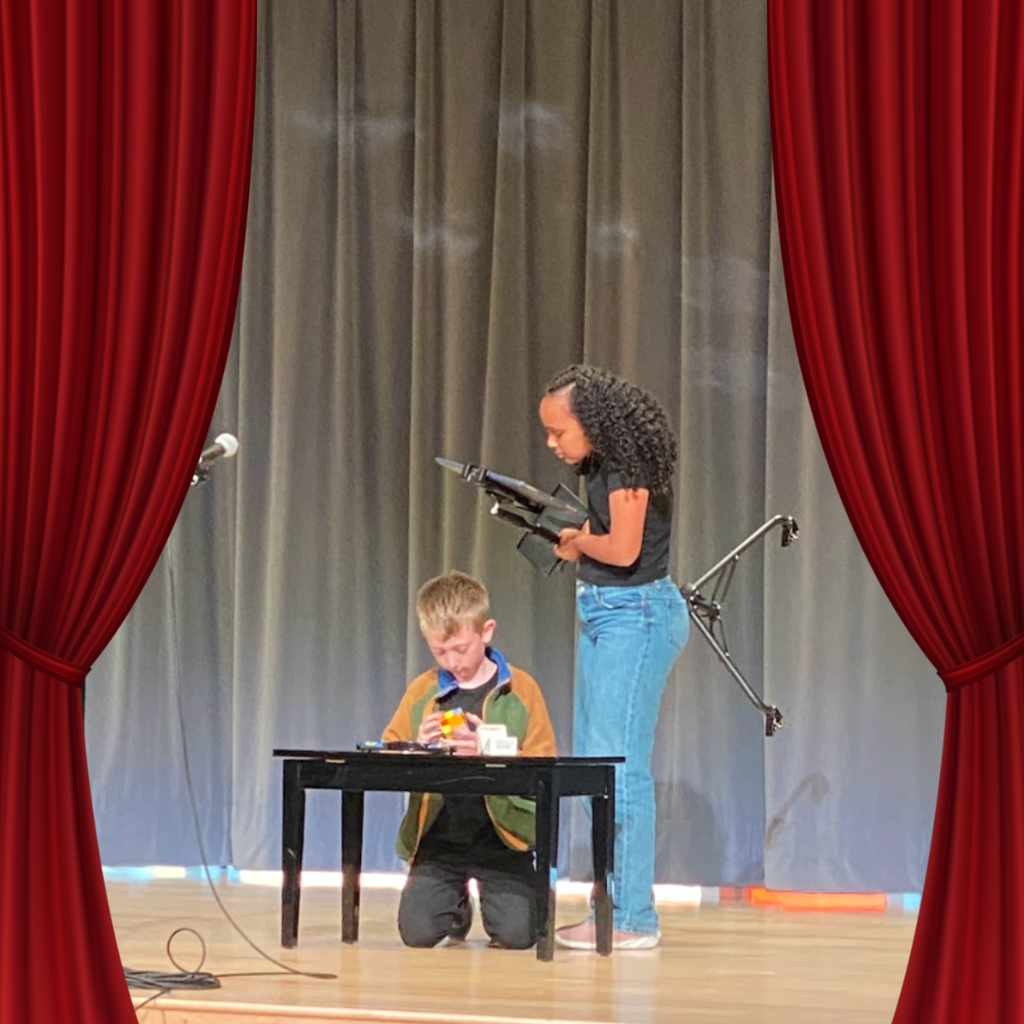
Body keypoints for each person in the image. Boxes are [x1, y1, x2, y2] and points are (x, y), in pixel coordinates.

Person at [538, 364, 689, 950]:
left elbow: (624, 551)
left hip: (637, 614)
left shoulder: (628, 464)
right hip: (607, 614)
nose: (553, 444)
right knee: (598, 768)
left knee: (622, 772)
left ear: (592, 421)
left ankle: (633, 918)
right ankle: (609, 908)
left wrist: (578, 542)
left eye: (559, 432)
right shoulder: (602, 463)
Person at [382, 570, 557, 949]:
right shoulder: (424, 689)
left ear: (486, 631)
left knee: (518, 936)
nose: (452, 661)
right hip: (441, 840)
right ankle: (455, 906)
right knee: (417, 934)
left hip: (503, 840)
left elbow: (544, 762)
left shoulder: (521, 689)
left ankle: (518, 892)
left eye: (460, 649)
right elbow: (388, 746)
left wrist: (489, 749)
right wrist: (417, 745)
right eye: (439, 651)